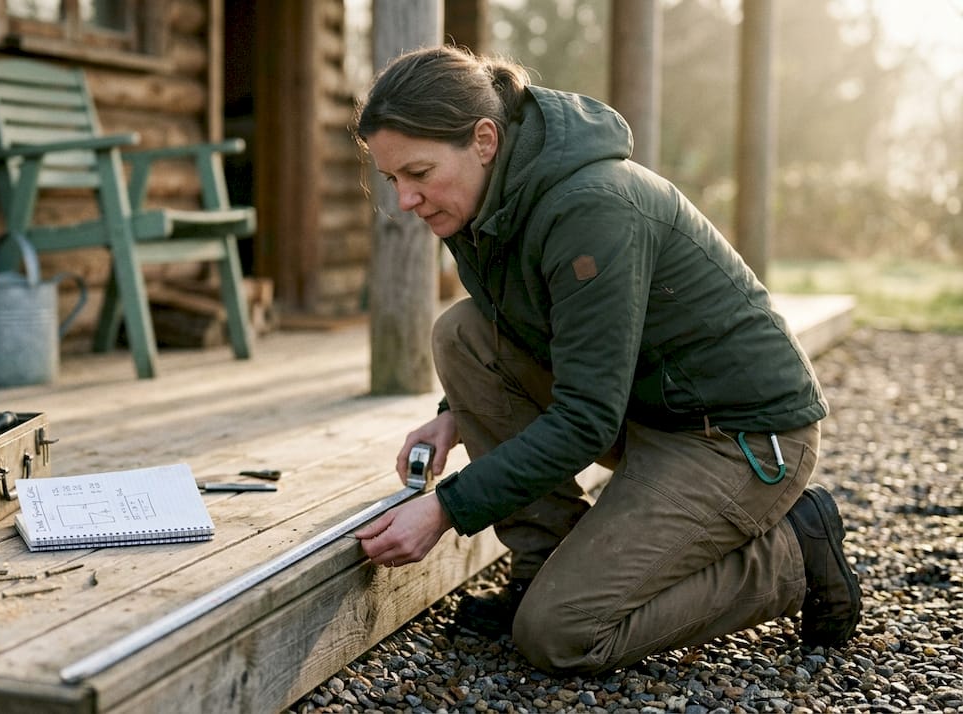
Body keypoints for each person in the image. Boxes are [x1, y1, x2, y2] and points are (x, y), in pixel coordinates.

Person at [351, 45, 862, 675]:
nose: (406, 200)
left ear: (484, 139)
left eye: (419, 173)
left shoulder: (593, 206)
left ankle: (791, 555)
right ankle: (544, 568)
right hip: (647, 408)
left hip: (739, 439)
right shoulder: (485, 203)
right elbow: (515, 326)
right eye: (393, 179)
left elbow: (586, 419)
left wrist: (446, 507)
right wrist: (455, 411)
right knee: (461, 333)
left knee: (560, 635)